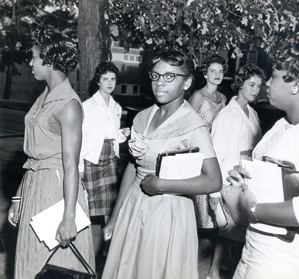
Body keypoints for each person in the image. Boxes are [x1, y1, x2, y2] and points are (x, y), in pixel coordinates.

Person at [228, 33, 299, 279]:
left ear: (296, 84)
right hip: (256, 249)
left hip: (286, 262)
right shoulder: (282, 125)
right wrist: (246, 176)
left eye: (274, 76)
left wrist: (255, 209)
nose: (267, 83)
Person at [101, 50, 222, 279]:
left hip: (169, 212)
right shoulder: (141, 117)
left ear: (186, 82)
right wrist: (115, 218)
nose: (159, 83)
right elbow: (133, 167)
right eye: (156, 76)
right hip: (133, 206)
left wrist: (163, 185)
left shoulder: (194, 126)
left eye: (169, 77)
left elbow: (214, 180)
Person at [7, 26, 95, 278]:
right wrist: (18, 196)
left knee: (54, 267)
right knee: (31, 261)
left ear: (49, 59)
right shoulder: (45, 95)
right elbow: (35, 156)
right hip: (35, 184)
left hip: (56, 192)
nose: (30, 62)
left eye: (34, 57)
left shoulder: (68, 104)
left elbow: (71, 165)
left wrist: (69, 218)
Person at [207, 63, 265, 279]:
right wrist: (215, 192)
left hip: (247, 178)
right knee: (244, 229)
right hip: (229, 180)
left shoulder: (252, 113)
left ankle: (214, 271)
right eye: (251, 84)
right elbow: (216, 154)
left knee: (229, 229)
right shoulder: (227, 115)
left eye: (258, 86)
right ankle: (235, 273)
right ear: (240, 84)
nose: (255, 90)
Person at [79, 62, 130, 228]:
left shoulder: (117, 107)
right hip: (92, 159)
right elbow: (82, 139)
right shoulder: (88, 107)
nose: (110, 83)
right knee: (87, 205)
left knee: (110, 206)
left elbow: (112, 136)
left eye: (113, 79)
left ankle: (107, 246)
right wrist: (80, 166)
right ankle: (84, 245)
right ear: (98, 81)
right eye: (105, 79)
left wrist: (122, 134)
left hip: (110, 159)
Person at [188, 55, 227, 245]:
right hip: (201, 150)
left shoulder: (223, 98)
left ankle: (211, 240)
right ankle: (197, 238)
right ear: (205, 73)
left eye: (220, 71)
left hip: (218, 149)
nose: (217, 74)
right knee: (201, 194)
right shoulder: (198, 96)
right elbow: (185, 123)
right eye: (213, 71)